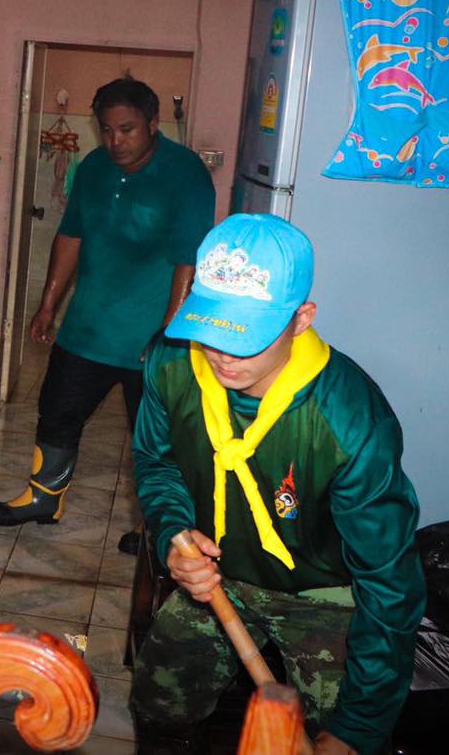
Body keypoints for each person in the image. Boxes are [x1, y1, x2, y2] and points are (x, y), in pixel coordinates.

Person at [130, 214, 425, 755]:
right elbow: (157, 462)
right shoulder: (172, 362)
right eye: (211, 325)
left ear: (301, 319)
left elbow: (390, 581)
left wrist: (357, 729)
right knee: (158, 700)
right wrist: (175, 532)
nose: (221, 352)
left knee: (337, 731)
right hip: (219, 575)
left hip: (325, 591)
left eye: (245, 334)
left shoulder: (349, 419)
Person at [0, 76, 214, 527]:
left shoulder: (185, 173)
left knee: (156, 437)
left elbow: (190, 258)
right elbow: (71, 235)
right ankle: (43, 498)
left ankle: (158, 529)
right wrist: (48, 305)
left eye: (126, 129)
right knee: (56, 411)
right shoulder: (92, 167)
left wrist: (169, 335)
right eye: (106, 130)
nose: (115, 141)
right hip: (88, 326)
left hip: (151, 334)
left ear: (152, 124)